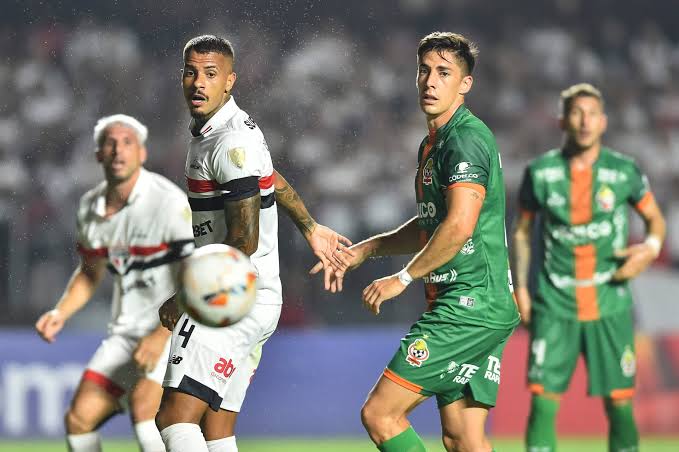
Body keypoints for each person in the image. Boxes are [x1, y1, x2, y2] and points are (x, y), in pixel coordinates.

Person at [315, 31, 519, 452]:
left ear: (465, 84)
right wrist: (365, 250)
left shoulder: (464, 138)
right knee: (464, 438)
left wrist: (402, 278)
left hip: (468, 307)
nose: (430, 81)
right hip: (480, 304)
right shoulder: (434, 143)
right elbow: (433, 221)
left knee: (381, 415)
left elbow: (460, 225)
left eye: (444, 72)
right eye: (424, 71)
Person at [154, 35, 352, 452]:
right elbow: (271, 179)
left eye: (211, 74)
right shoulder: (229, 131)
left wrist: (188, 297)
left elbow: (243, 239)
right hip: (259, 297)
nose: (198, 83)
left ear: (231, 81)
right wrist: (311, 226)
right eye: (191, 72)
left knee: (174, 417)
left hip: (229, 296)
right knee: (216, 430)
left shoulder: (230, 141)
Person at [513, 83, 666, 452]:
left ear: (604, 122)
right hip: (554, 303)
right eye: (577, 113)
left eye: (592, 114)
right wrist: (520, 288)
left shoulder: (624, 171)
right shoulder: (541, 173)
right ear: (563, 121)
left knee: (620, 407)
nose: (584, 121)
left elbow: (655, 222)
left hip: (609, 302)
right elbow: (520, 233)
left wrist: (649, 249)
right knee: (542, 406)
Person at [35, 114, 195, 452]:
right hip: (127, 333)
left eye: (127, 143)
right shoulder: (90, 208)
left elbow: (193, 278)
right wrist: (60, 312)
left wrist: (160, 335)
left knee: (144, 408)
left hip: (175, 328)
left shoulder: (168, 202)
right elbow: (91, 273)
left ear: (142, 154)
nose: (118, 150)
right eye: (110, 143)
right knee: (79, 419)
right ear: (98, 155)